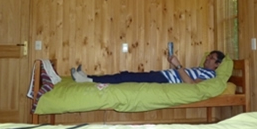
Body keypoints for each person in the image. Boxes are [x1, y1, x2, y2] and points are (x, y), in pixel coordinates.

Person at [70, 50, 225, 84]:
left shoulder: (211, 76)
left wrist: (178, 66)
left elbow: (191, 84)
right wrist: (174, 66)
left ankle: (88, 79)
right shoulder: (201, 69)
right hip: (163, 75)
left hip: (165, 80)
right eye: (208, 56)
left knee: (126, 76)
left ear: (217, 64)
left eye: (211, 59)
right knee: (126, 75)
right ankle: (88, 77)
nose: (207, 59)